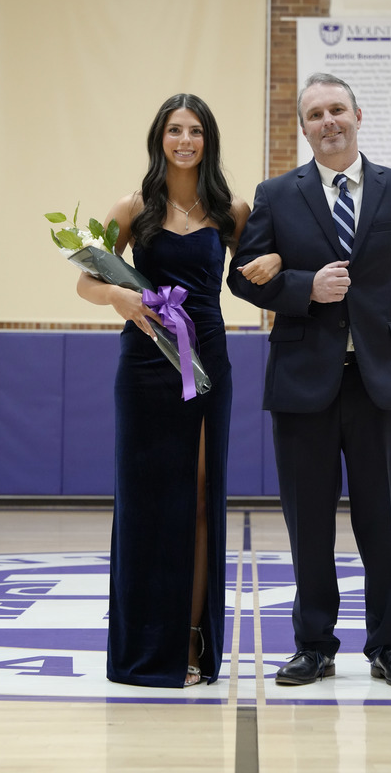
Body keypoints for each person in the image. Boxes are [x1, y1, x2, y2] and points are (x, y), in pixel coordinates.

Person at [228, 73, 391, 689]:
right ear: (303, 126)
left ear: (358, 115)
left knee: (382, 522)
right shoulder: (274, 195)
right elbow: (242, 279)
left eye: (337, 109)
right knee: (308, 521)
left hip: (380, 381)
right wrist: (302, 287)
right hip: (301, 382)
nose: (328, 121)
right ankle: (314, 645)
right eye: (315, 114)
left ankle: (388, 645)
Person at [77, 93, 280, 688]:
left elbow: (255, 276)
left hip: (207, 361)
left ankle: (191, 645)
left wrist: (276, 261)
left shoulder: (230, 209)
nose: (185, 140)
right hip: (143, 360)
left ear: (208, 140)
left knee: (197, 501)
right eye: (175, 130)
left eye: (195, 131)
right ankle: (143, 648)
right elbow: (88, 281)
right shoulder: (133, 206)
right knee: (143, 506)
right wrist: (117, 296)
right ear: (159, 138)